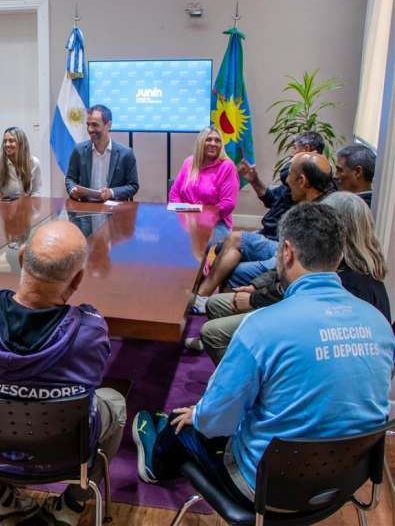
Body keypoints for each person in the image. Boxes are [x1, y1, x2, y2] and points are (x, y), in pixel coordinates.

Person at [133, 202, 394, 507]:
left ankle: (154, 460)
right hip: (345, 481)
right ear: (339, 257)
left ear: (286, 251)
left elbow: (218, 422)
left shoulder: (262, 327)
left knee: (184, 427)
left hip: (267, 486)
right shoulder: (379, 324)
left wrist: (200, 414)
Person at [0, 220, 126, 526]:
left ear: (21, 258)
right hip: (62, 454)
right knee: (115, 402)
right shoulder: (91, 331)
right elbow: (92, 382)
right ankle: (72, 504)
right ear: (78, 280)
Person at [188, 192, 390, 364]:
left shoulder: (353, 282)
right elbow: (289, 282)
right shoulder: (335, 259)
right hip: (286, 307)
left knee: (213, 332)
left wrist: (254, 299)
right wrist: (256, 287)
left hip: (304, 337)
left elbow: (300, 307)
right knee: (216, 304)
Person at [192, 151, 333, 312]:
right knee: (233, 239)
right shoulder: (302, 192)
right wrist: (254, 180)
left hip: (283, 252)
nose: (287, 180)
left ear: (302, 181)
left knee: (235, 268)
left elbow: (297, 263)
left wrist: (258, 286)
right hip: (276, 242)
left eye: (291, 175)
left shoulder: (320, 214)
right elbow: (271, 198)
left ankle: (221, 312)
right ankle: (201, 298)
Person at [238, 131, 325, 239]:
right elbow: (271, 200)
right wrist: (254, 180)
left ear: (306, 149)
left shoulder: (308, 179)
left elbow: (284, 174)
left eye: (294, 148)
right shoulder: (292, 183)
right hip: (268, 232)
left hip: (280, 239)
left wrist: (296, 159)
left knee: (234, 240)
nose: (291, 153)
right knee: (224, 246)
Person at [169, 126, 240, 244]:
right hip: (186, 218)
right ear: (201, 142)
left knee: (196, 244)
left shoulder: (227, 167)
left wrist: (200, 216)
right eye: (209, 139)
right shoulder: (189, 162)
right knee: (168, 238)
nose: (213, 143)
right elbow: (174, 193)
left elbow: (228, 204)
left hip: (216, 223)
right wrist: (184, 214)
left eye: (217, 140)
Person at [65, 104, 139, 201]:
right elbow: (70, 179)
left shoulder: (126, 154)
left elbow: (133, 186)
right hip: (84, 209)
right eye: (88, 124)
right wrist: (72, 190)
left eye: (95, 125)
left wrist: (111, 192)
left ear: (108, 125)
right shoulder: (78, 150)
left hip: (114, 211)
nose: (90, 129)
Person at [0, 126, 42, 196]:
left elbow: (36, 191)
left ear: (21, 143)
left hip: (28, 205)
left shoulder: (34, 163)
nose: (7, 144)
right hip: (5, 206)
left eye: (11, 141)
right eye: (5, 141)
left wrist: (28, 206)